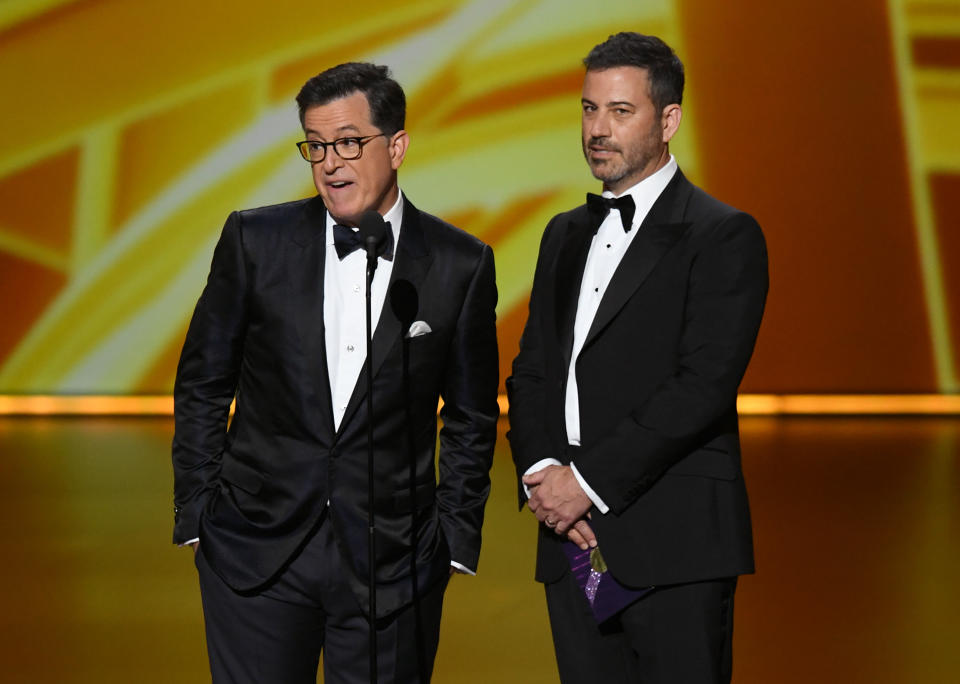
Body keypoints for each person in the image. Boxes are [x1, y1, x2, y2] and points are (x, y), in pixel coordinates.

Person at [172, 62, 499, 683]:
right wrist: (197, 512)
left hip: (394, 563)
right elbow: (203, 382)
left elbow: (470, 413)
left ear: (396, 146)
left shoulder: (459, 263)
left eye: (349, 141)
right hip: (254, 553)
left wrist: (453, 538)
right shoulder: (254, 241)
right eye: (316, 146)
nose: (330, 161)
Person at [506, 32, 768, 684]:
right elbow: (533, 367)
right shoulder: (563, 233)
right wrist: (545, 479)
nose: (598, 128)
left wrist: (583, 485)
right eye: (590, 109)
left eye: (620, 111)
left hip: (674, 544)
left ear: (669, 120)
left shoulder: (723, 234)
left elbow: (700, 386)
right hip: (571, 544)